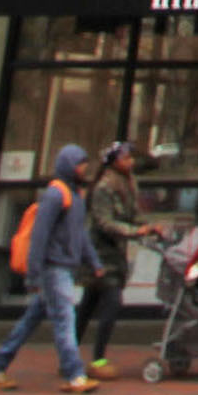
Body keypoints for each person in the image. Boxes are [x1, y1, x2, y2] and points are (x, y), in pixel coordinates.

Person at [0, 144, 102, 393]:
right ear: (69, 166)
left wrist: (94, 262)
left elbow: (80, 234)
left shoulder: (75, 195)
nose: (84, 168)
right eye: (80, 164)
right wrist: (34, 274)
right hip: (54, 268)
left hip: (63, 267)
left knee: (31, 320)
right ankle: (75, 374)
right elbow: (40, 236)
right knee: (65, 320)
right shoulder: (56, 195)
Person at [81, 141, 164, 381]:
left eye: (131, 158)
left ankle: (68, 355)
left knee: (88, 303)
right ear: (114, 161)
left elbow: (132, 214)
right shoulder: (104, 187)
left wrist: (149, 226)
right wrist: (136, 231)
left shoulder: (128, 183)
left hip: (115, 252)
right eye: (126, 158)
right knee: (110, 302)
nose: (131, 162)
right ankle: (98, 359)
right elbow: (105, 223)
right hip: (100, 253)